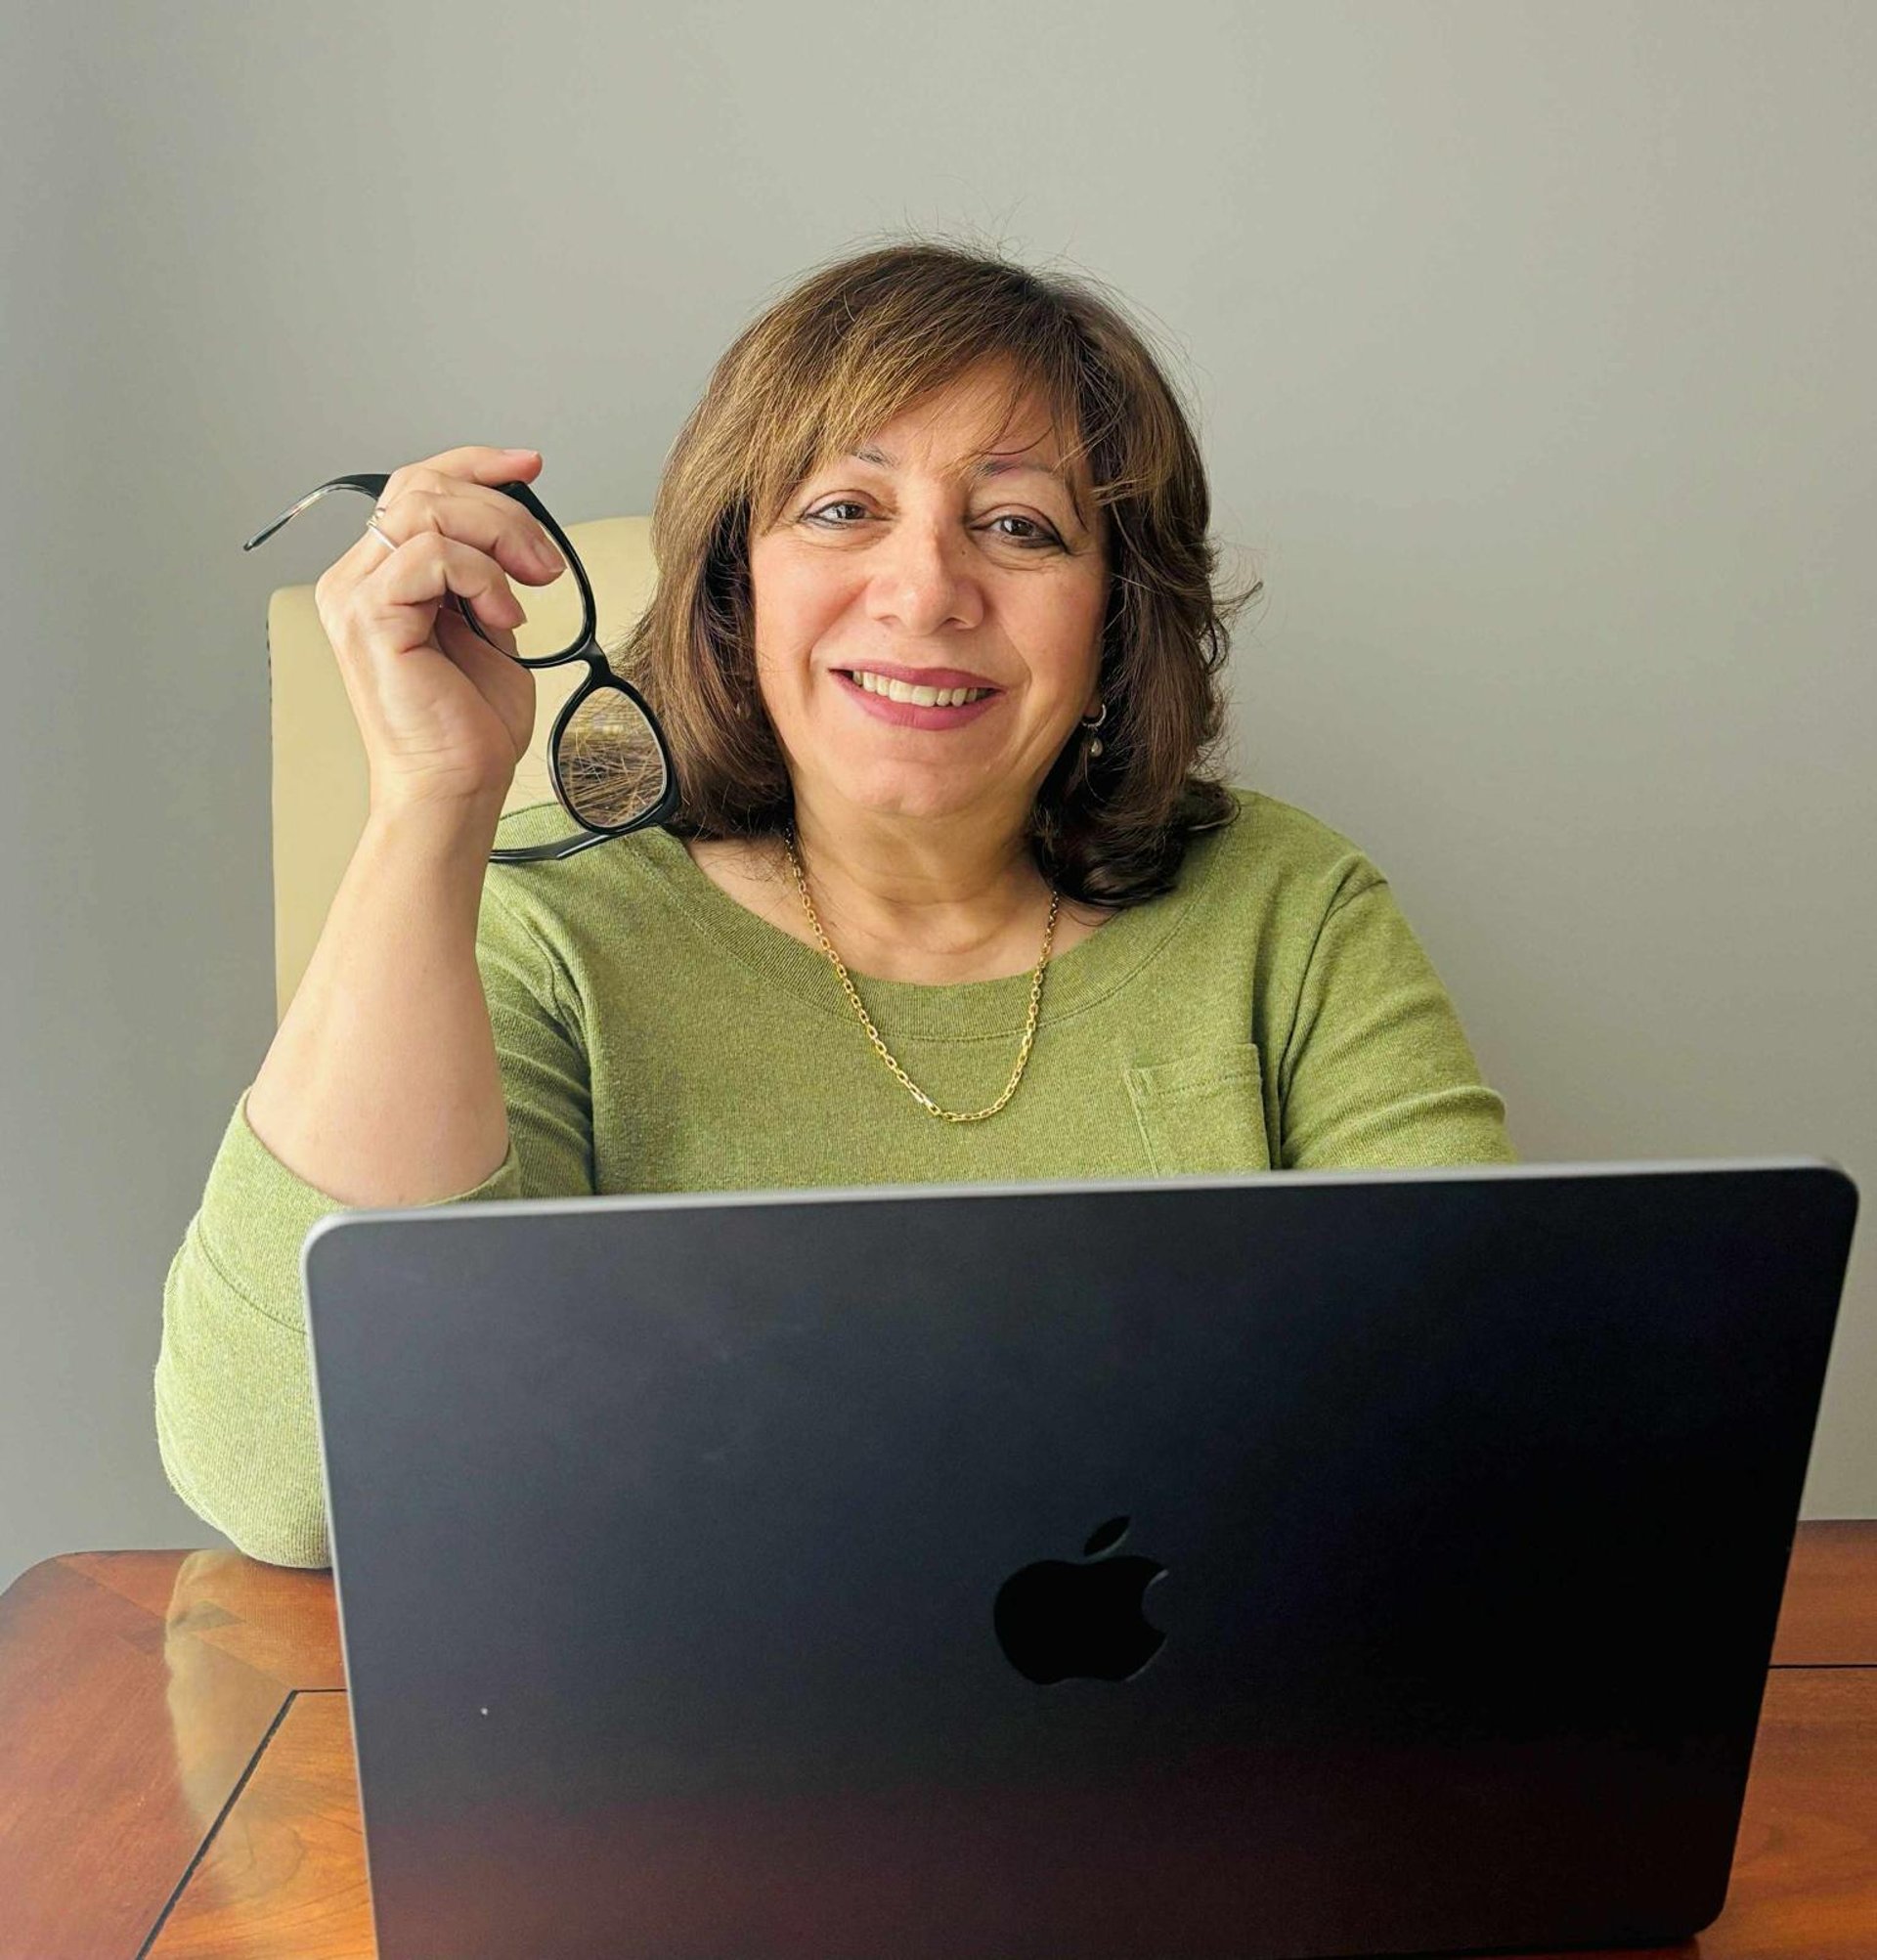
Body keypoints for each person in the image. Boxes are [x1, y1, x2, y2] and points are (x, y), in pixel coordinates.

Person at [155, 240, 1517, 1571]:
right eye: (843, 509)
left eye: (1020, 526)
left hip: (1220, 1739)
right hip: (682, 1767)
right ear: (736, 590)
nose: (926, 590)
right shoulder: (548, 921)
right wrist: (428, 802)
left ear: (1115, 623)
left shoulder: (1294, 914)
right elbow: (292, 1491)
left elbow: (1492, 1437)